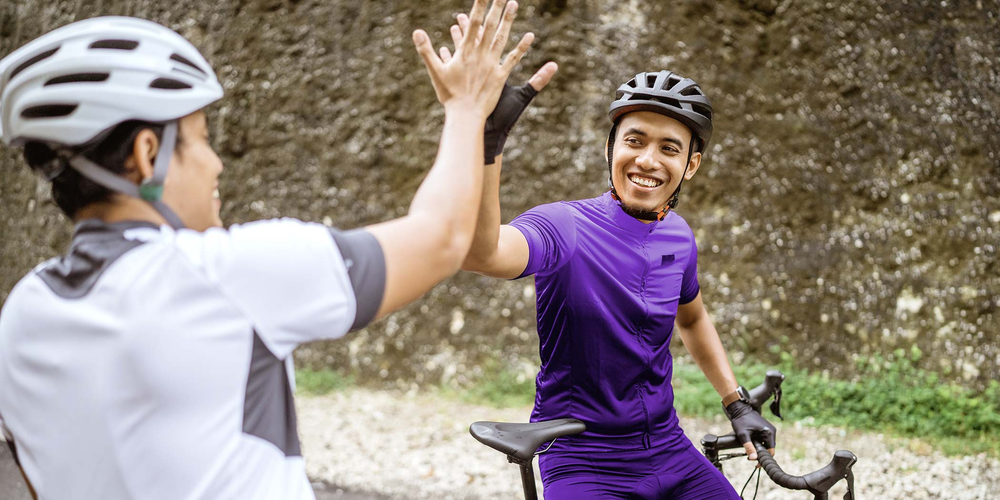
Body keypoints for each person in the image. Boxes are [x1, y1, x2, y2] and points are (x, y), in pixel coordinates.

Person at [0, 1, 541, 498]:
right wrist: (467, 110)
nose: (216, 164)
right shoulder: (219, 273)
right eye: (202, 137)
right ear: (148, 155)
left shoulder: (24, 312)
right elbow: (441, 238)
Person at [450, 14, 778, 497]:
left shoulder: (679, 236)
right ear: (610, 148)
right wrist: (486, 146)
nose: (648, 160)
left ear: (691, 165)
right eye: (635, 140)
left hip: (667, 446)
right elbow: (484, 253)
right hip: (582, 455)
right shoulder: (565, 226)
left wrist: (736, 403)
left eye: (669, 148)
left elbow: (692, 320)